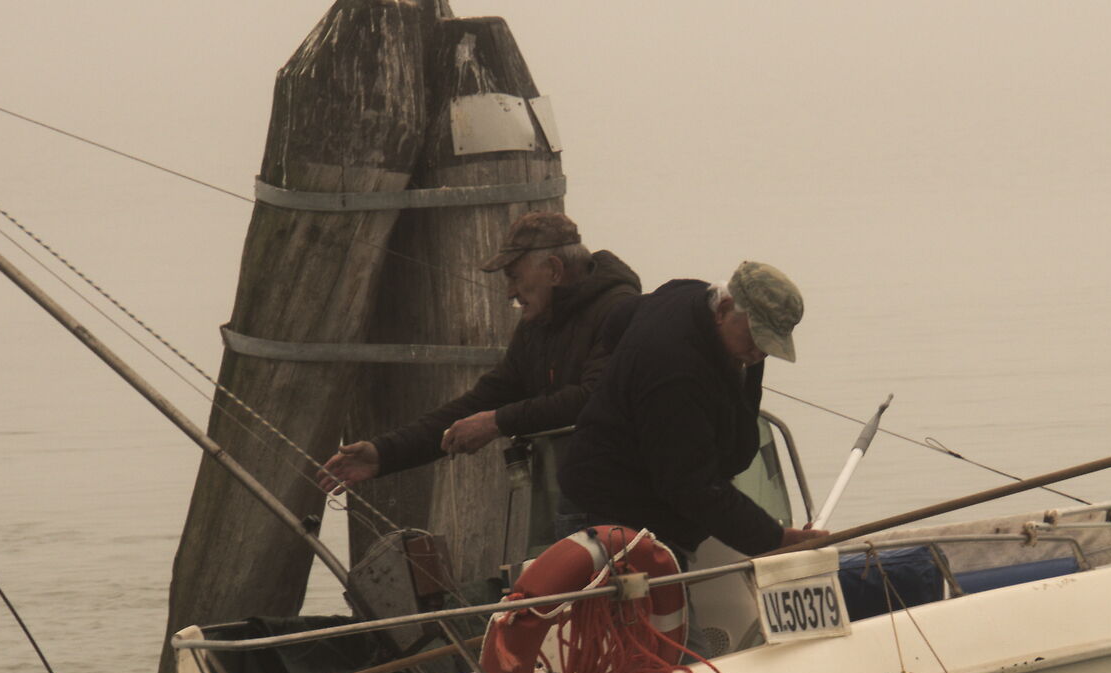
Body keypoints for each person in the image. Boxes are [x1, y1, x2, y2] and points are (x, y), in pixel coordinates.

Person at [319, 212, 640, 492]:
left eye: (514, 277)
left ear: (555, 271)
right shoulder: (537, 325)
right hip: (565, 494)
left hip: (622, 499)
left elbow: (594, 398)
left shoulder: (619, 310)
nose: (509, 292)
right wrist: (385, 453)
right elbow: (481, 403)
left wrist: (498, 422)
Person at [556, 261, 831, 559]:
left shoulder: (691, 295)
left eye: (769, 346)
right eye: (755, 338)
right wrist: (773, 538)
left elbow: (618, 321)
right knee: (649, 602)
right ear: (724, 309)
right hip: (613, 511)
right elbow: (690, 484)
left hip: (661, 500)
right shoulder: (675, 370)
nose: (758, 354)